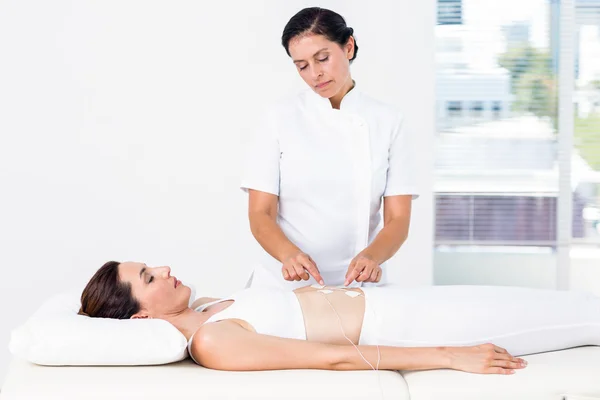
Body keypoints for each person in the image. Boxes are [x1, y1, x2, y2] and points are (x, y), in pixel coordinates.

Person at [79, 261, 600, 375]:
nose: (164, 269)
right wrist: (450, 356)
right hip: (425, 325)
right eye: (149, 277)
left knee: (580, 308)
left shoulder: (209, 307)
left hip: (412, 300)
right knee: (584, 317)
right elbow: (331, 357)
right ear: (141, 317)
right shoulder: (214, 341)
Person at [241, 7, 419, 289]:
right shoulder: (279, 118)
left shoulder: (388, 121)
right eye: (302, 66)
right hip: (286, 285)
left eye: (322, 58)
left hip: (361, 286)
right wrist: (288, 255)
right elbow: (260, 213)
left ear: (348, 46)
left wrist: (373, 257)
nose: (315, 74)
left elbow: (398, 218)